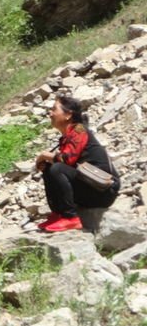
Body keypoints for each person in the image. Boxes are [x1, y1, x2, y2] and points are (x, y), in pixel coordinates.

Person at [34, 94, 120, 232]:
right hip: (91, 187)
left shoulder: (79, 131)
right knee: (50, 168)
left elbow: (67, 160)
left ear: (68, 115)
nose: (50, 113)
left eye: (54, 109)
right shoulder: (68, 136)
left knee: (57, 168)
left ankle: (70, 218)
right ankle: (59, 214)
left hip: (103, 190)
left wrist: (44, 155)